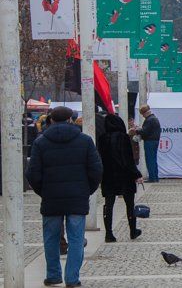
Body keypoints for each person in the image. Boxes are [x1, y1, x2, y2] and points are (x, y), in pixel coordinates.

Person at [26, 106, 103, 287]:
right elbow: (96, 170)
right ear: (71, 119)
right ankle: (72, 278)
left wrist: (43, 191)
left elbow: (33, 173)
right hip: (77, 196)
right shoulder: (85, 141)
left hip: (51, 198)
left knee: (51, 238)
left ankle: (53, 275)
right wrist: (87, 190)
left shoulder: (40, 142)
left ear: (50, 120)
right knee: (76, 239)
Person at [98, 114, 144, 243]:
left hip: (108, 175)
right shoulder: (123, 138)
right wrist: (136, 174)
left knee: (109, 204)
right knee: (129, 204)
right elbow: (127, 159)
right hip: (125, 175)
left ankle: (109, 233)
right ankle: (133, 230)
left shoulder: (102, 139)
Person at [135, 105, 161, 183]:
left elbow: (145, 131)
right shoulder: (154, 118)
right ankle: (155, 177)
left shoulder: (149, 120)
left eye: (142, 114)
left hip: (150, 142)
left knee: (150, 160)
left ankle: (152, 178)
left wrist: (137, 130)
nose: (143, 116)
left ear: (145, 113)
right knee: (153, 160)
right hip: (155, 141)